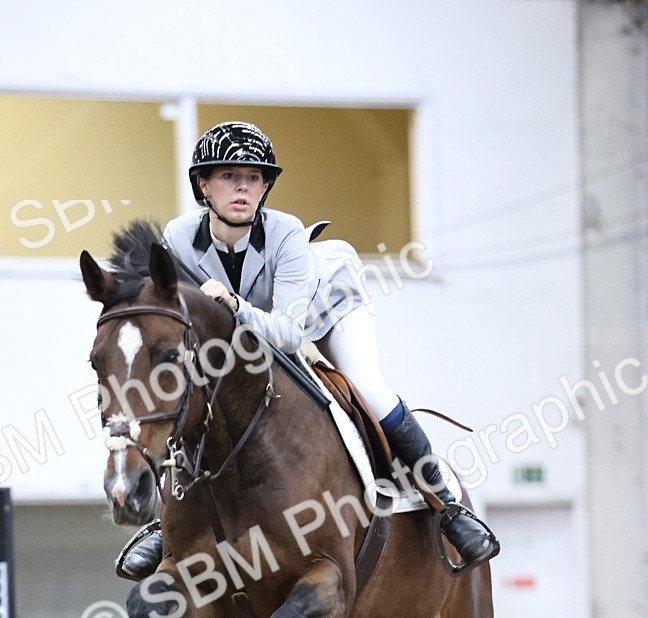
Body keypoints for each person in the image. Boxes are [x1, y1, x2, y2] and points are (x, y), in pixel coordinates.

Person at [119, 121, 499, 579]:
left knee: (369, 389)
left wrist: (233, 305)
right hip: (249, 331)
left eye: (254, 177)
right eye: (228, 176)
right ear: (203, 184)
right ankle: (168, 526)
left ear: (266, 186)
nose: (243, 188)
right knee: (197, 402)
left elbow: (286, 334)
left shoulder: (286, 233)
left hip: (326, 313)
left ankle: (448, 508)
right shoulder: (179, 238)